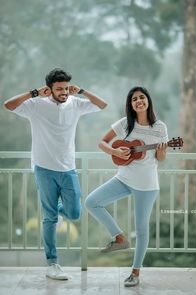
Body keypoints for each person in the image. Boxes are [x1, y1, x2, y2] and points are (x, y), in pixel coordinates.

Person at [4, 68, 107, 280]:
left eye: (67, 88)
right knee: (50, 218)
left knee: (75, 212)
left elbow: (102, 104)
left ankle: (53, 209)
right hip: (44, 168)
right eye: (59, 89)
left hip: (68, 168)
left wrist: (83, 91)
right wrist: (33, 93)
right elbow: (8, 104)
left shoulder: (75, 103)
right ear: (49, 89)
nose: (64, 92)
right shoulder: (36, 105)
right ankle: (52, 263)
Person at [85, 86, 168, 287]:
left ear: (148, 100)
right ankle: (120, 238)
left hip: (147, 185)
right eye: (134, 99)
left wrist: (162, 150)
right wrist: (116, 151)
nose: (138, 101)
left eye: (142, 97)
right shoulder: (125, 124)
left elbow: (161, 159)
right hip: (123, 178)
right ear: (130, 105)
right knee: (91, 202)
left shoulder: (160, 128)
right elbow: (102, 143)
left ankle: (135, 273)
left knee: (141, 230)